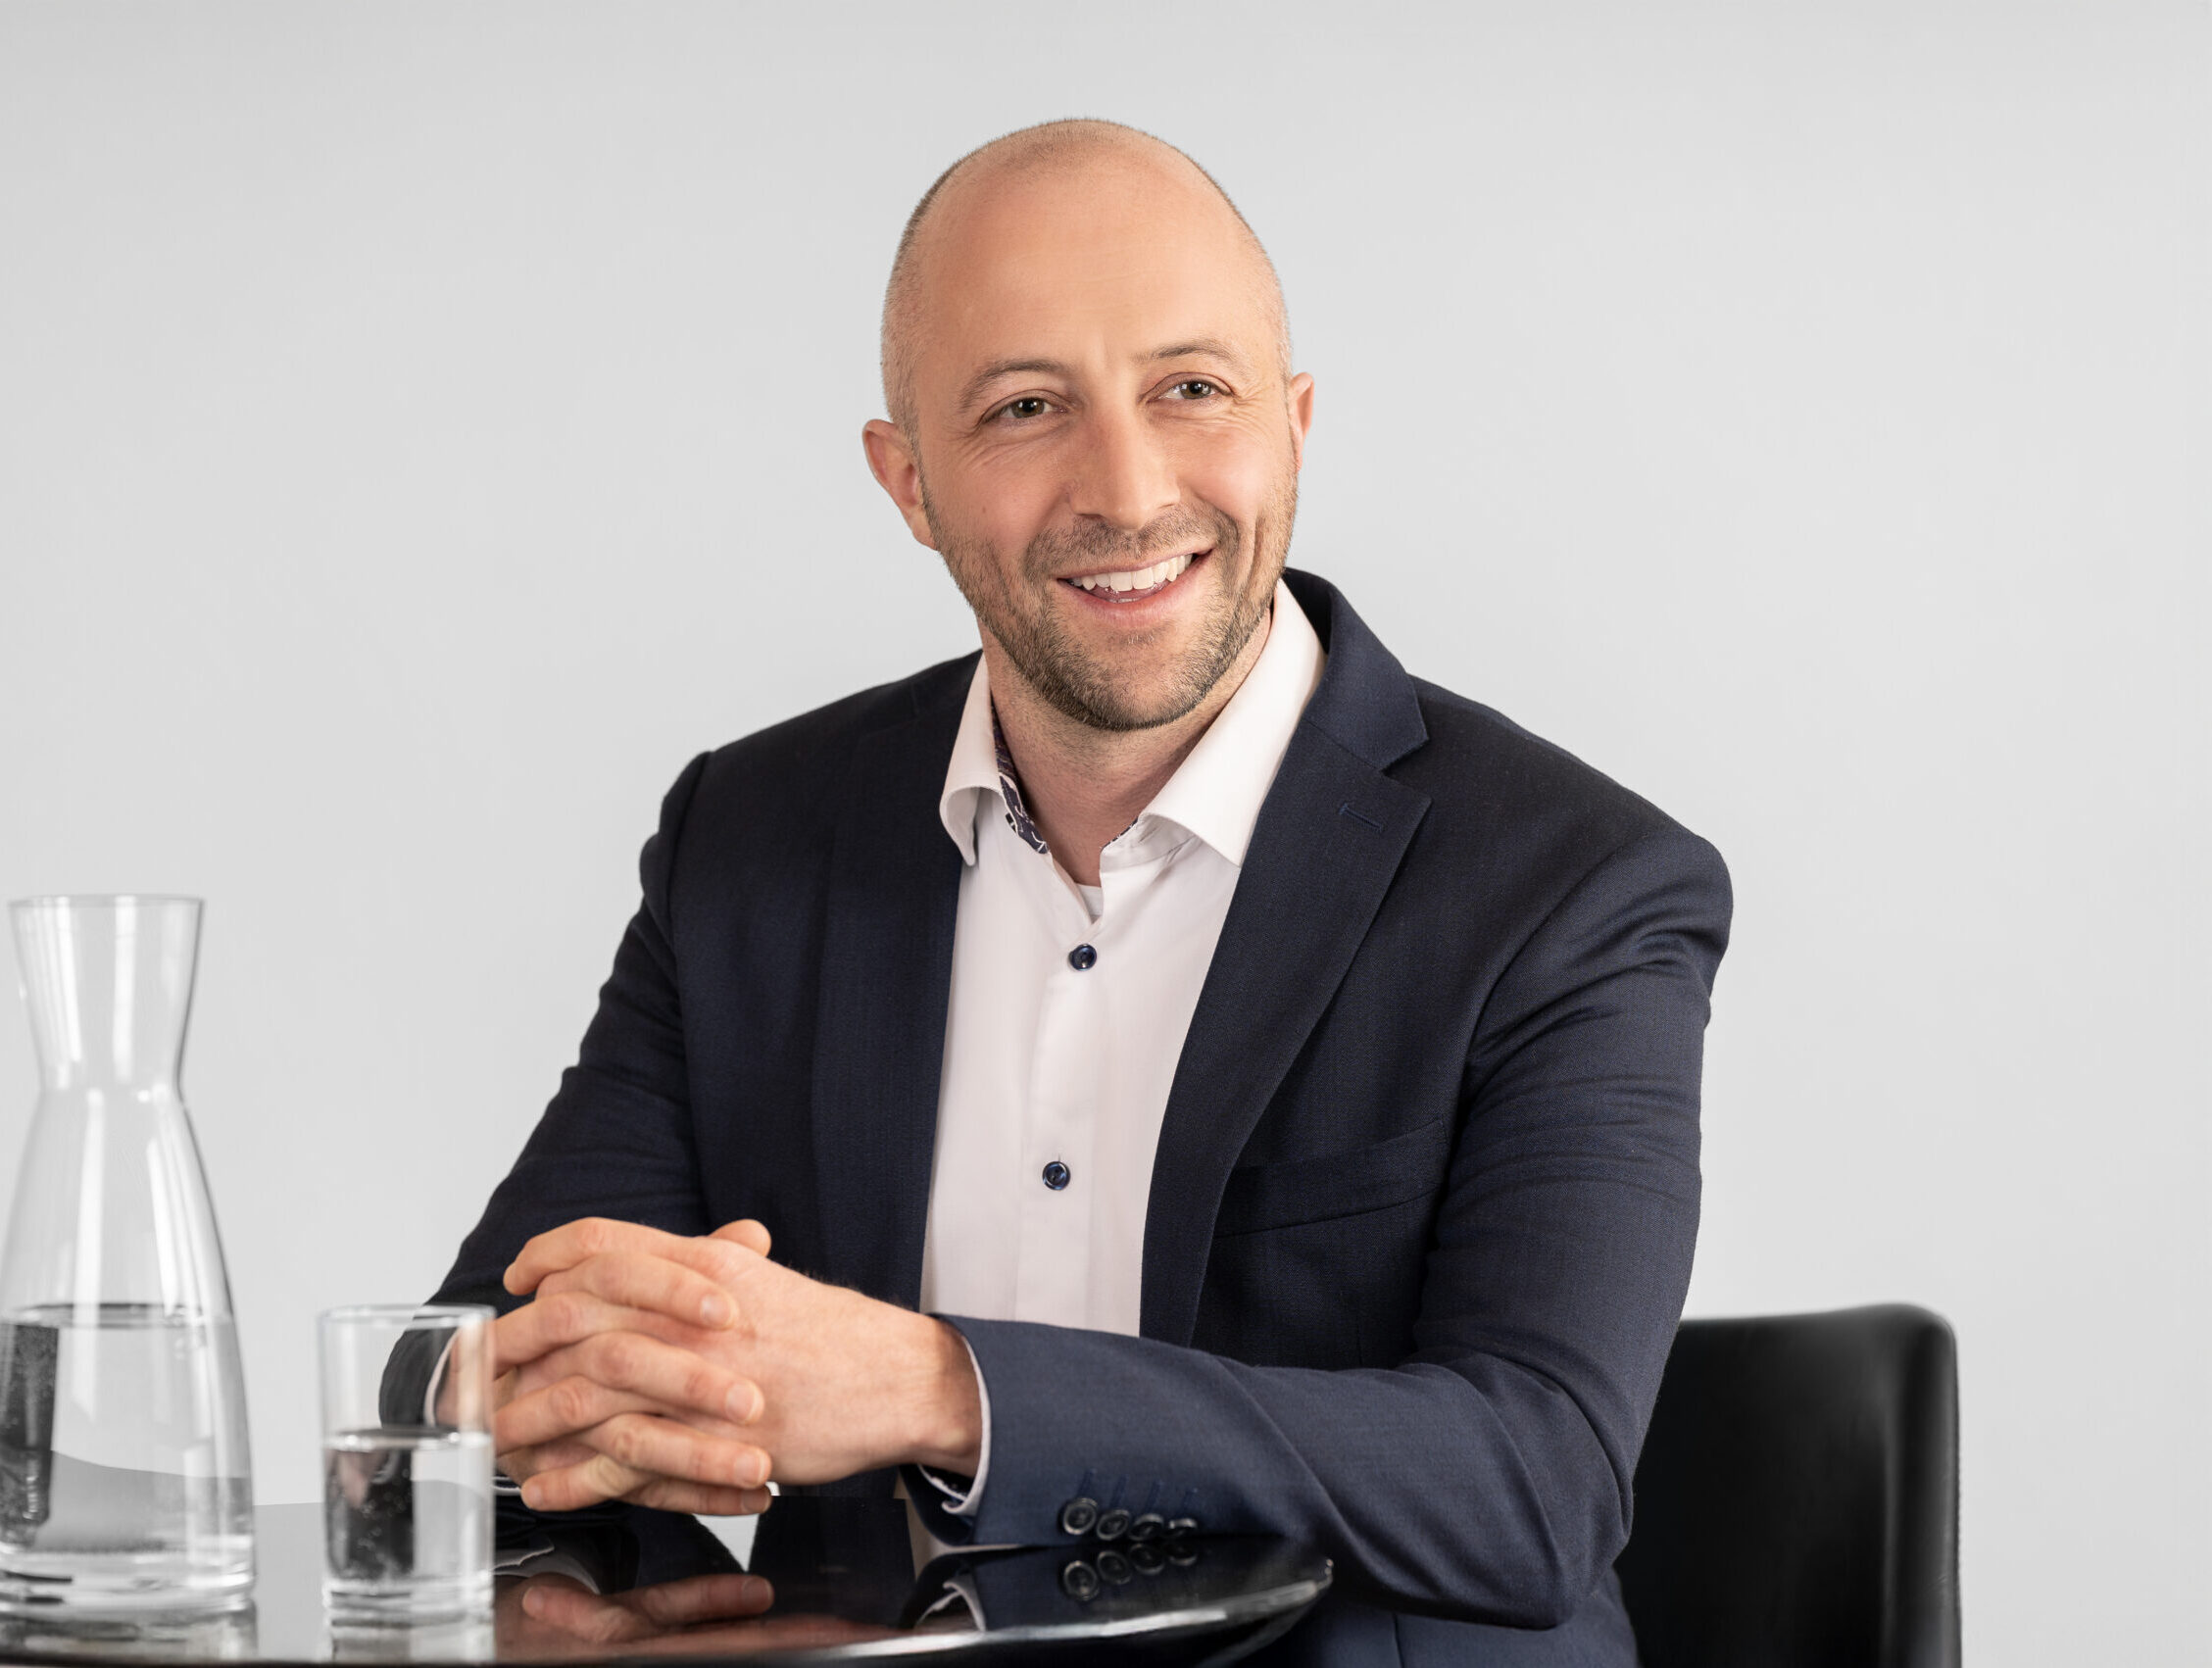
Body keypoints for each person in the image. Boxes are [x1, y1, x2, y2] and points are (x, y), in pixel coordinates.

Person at [424, 119, 1731, 1665]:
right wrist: (528, 1412)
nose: (1125, 486)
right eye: (1025, 408)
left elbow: (1532, 1484)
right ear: (907, 481)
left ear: (1293, 424)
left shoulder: (1571, 886)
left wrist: (938, 1388)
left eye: (1192, 389)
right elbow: (491, 1364)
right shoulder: (751, 838)